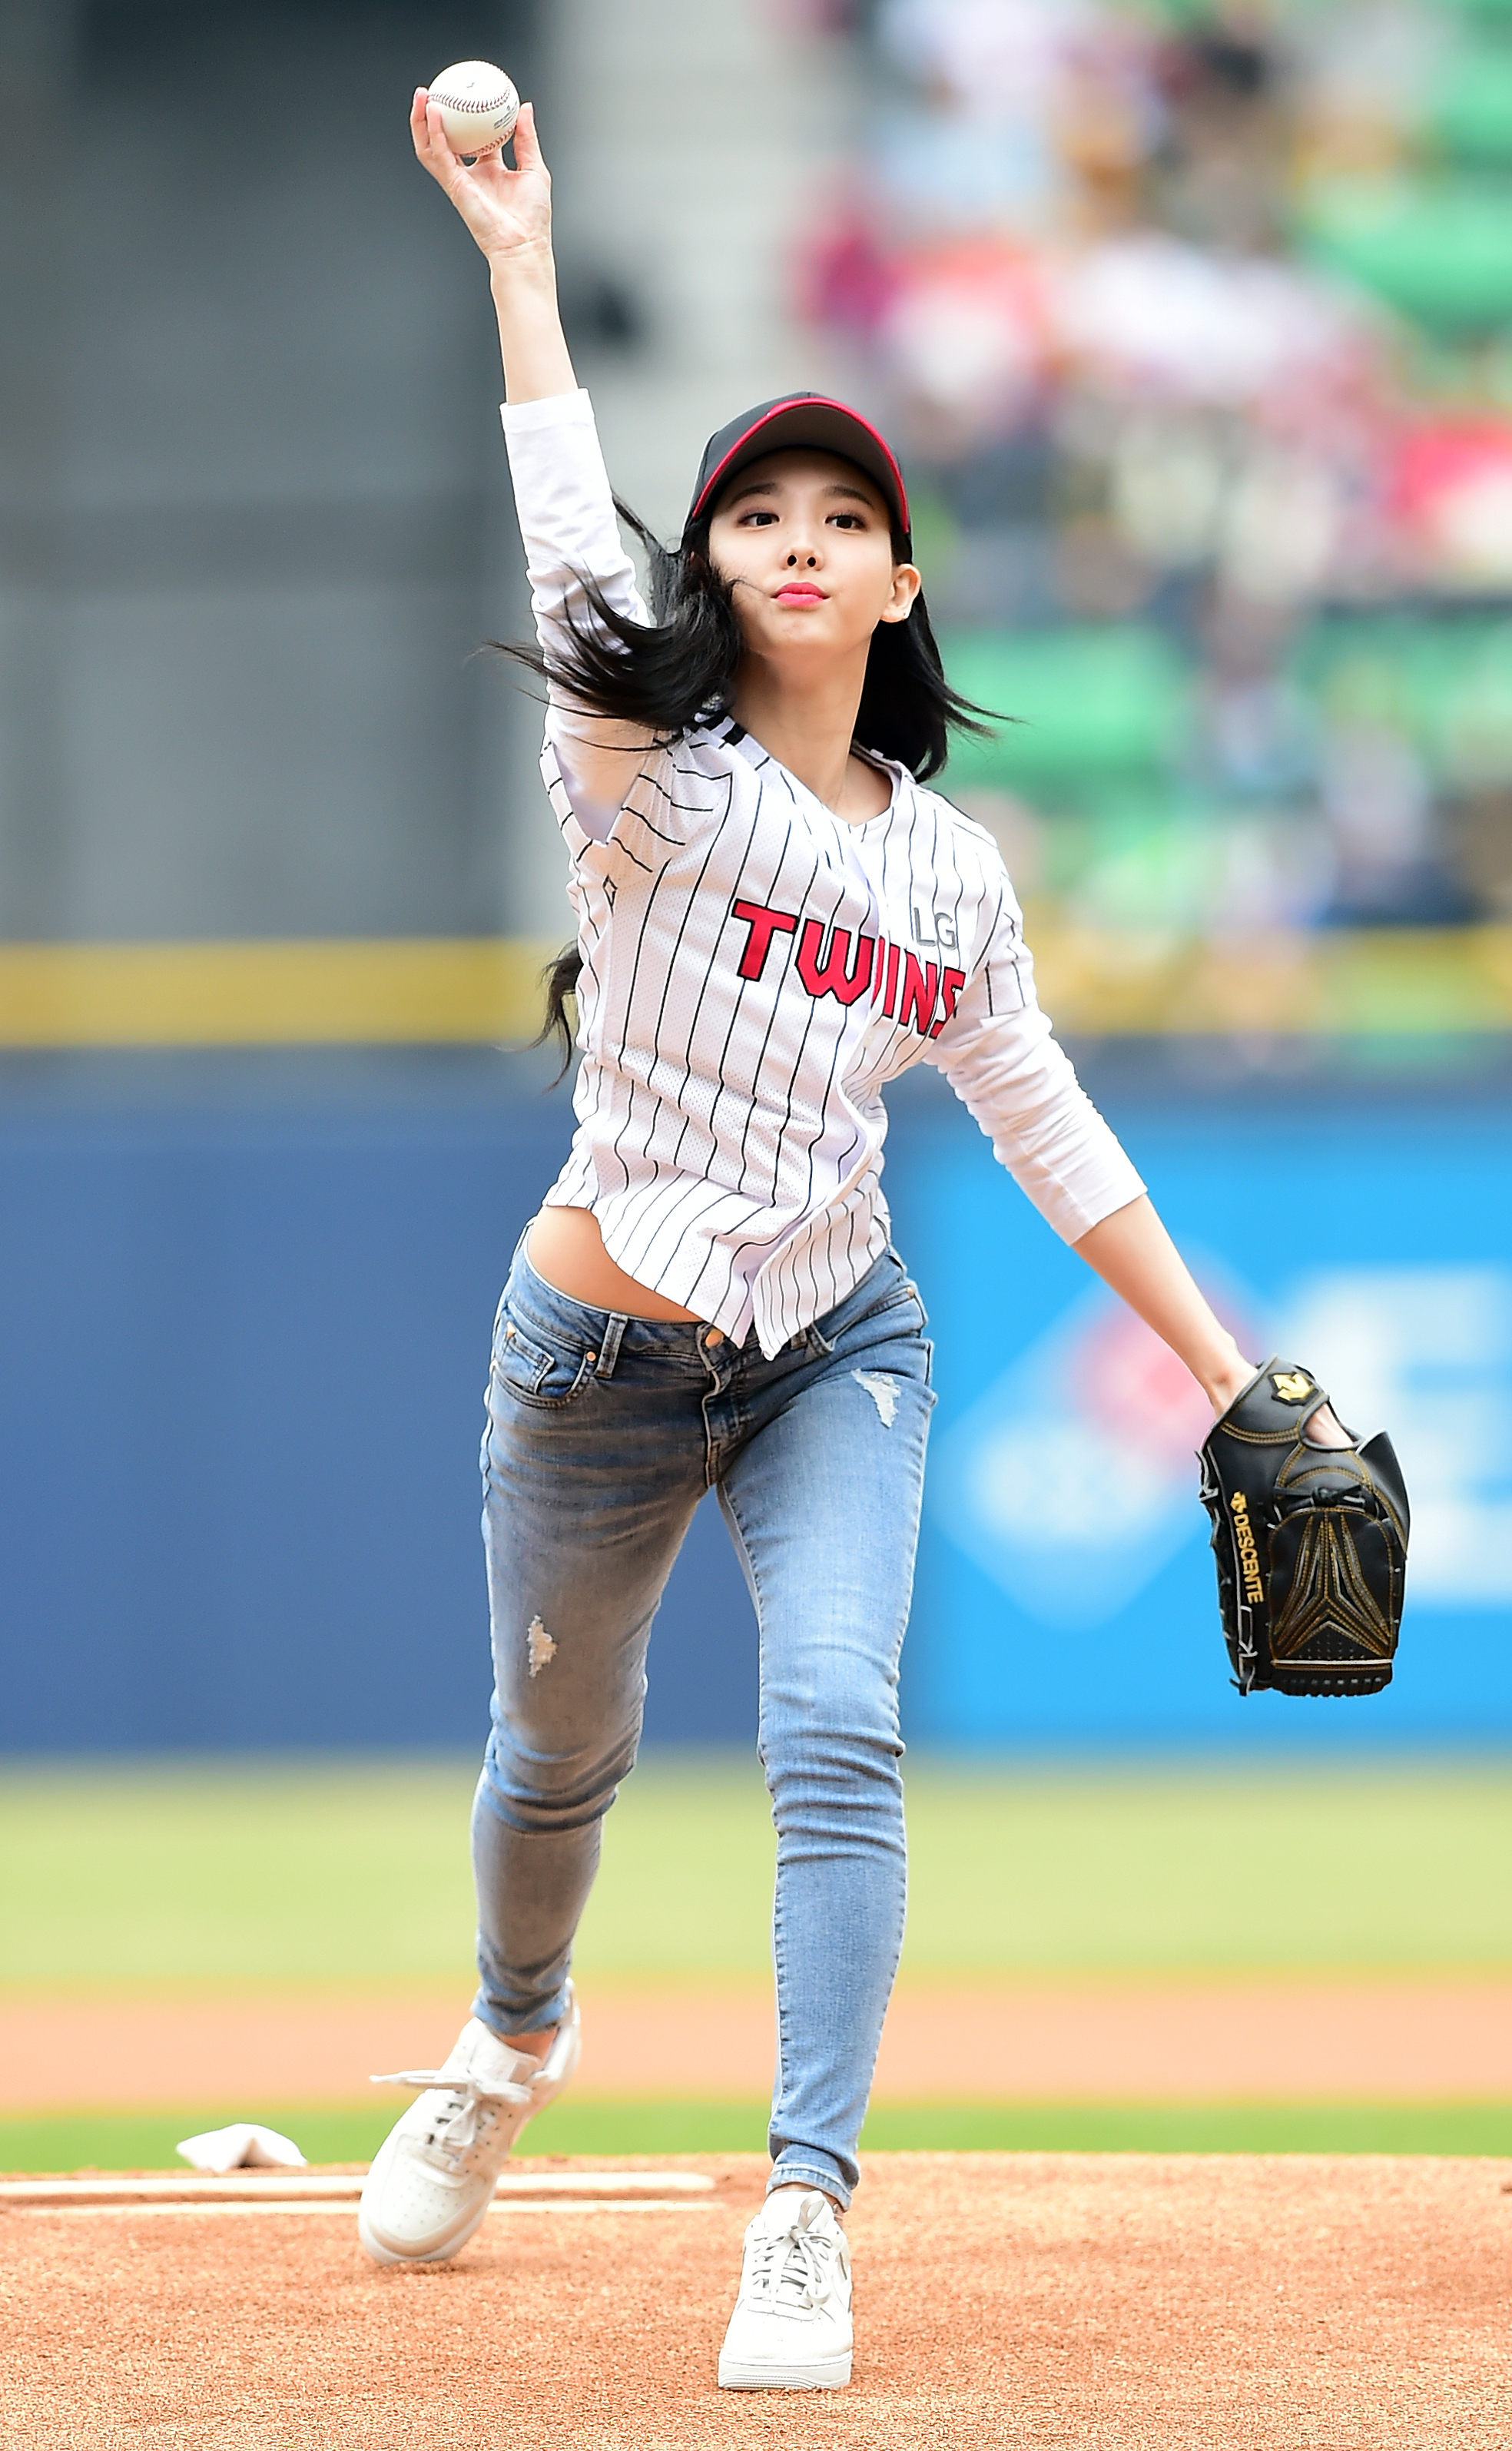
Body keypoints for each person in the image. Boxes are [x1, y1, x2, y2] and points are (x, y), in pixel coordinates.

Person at [358, 86, 1346, 2391]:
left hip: (835, 1344)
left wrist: (1228, 1373)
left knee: (835, 1726)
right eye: (758, 513)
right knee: (555, 1759)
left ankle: (804, 2207)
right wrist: (520, 263)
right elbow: (556, 529)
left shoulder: (954, 873)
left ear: (902, 584)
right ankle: (511, 2041)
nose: (799, 541)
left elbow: (1049, 1127)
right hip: (593, 1359)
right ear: (714, 570)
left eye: (846, 519)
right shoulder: (639, 781)